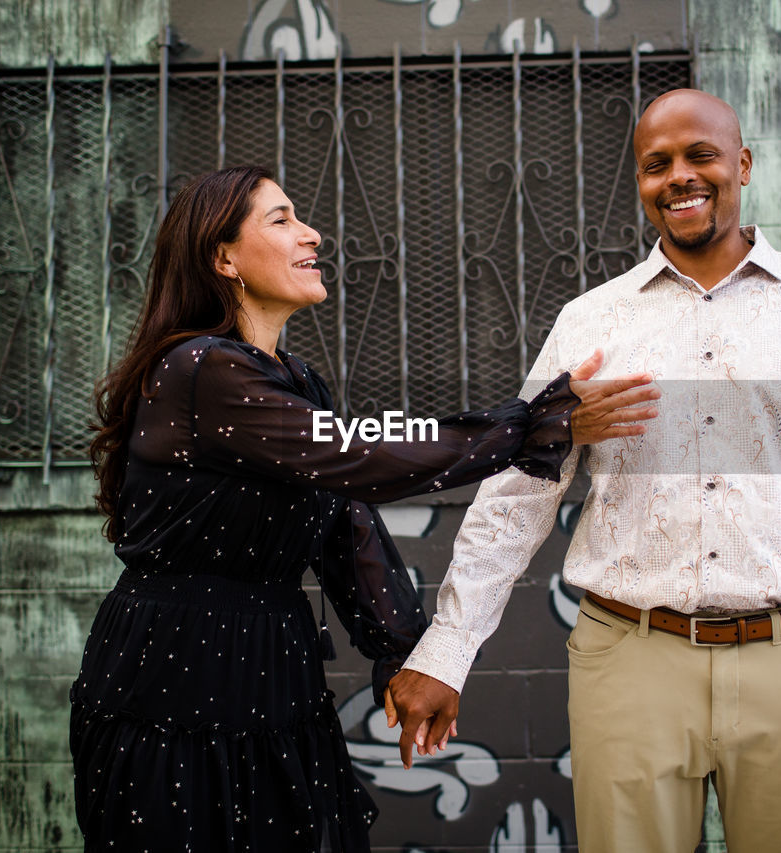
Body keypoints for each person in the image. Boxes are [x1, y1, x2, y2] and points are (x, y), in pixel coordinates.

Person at [386, 89, 781, 852]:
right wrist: (447, 650)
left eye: (700, 155)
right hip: (629, 663)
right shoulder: (593, 320)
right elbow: (519, 493)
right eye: (656, 163)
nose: (679, 176)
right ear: (640, 180)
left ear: (741, 163)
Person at [70, 165, 659, 852]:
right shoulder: (199, 368)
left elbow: (344, 519)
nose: (312, 233)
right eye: (281, 218)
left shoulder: (293, 379)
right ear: (222, 256)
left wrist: (409, 652)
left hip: (271, 670)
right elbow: (360, 456)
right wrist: (529, 424)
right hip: (176, 675)